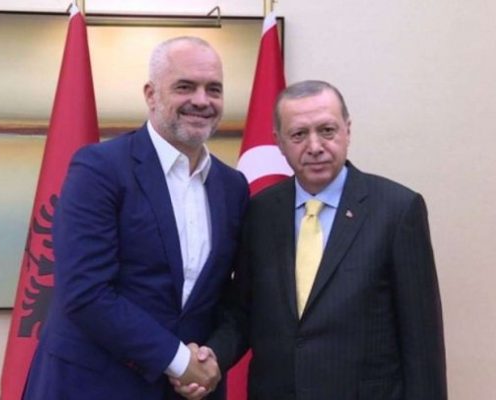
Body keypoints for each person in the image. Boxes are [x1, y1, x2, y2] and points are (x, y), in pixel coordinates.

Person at [177, 80, 447, 399]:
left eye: (327, 131)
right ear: (279, 142)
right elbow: (242, 311)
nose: (315, 146)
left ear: (347, 131)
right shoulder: (259, 212)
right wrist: (212, 357)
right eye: (299, 135)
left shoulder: (397, 210)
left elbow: (421, 342)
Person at [23, 36, 248, 400]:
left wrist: (213, 358)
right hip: (94, 386)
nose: (201, 100)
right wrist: (180, 362)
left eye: (214, 89)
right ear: (151, 94)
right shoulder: (99, 169)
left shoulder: (232, 186)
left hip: (191, 391)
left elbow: (233, 297)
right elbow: (85, 291)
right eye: (185, 87)